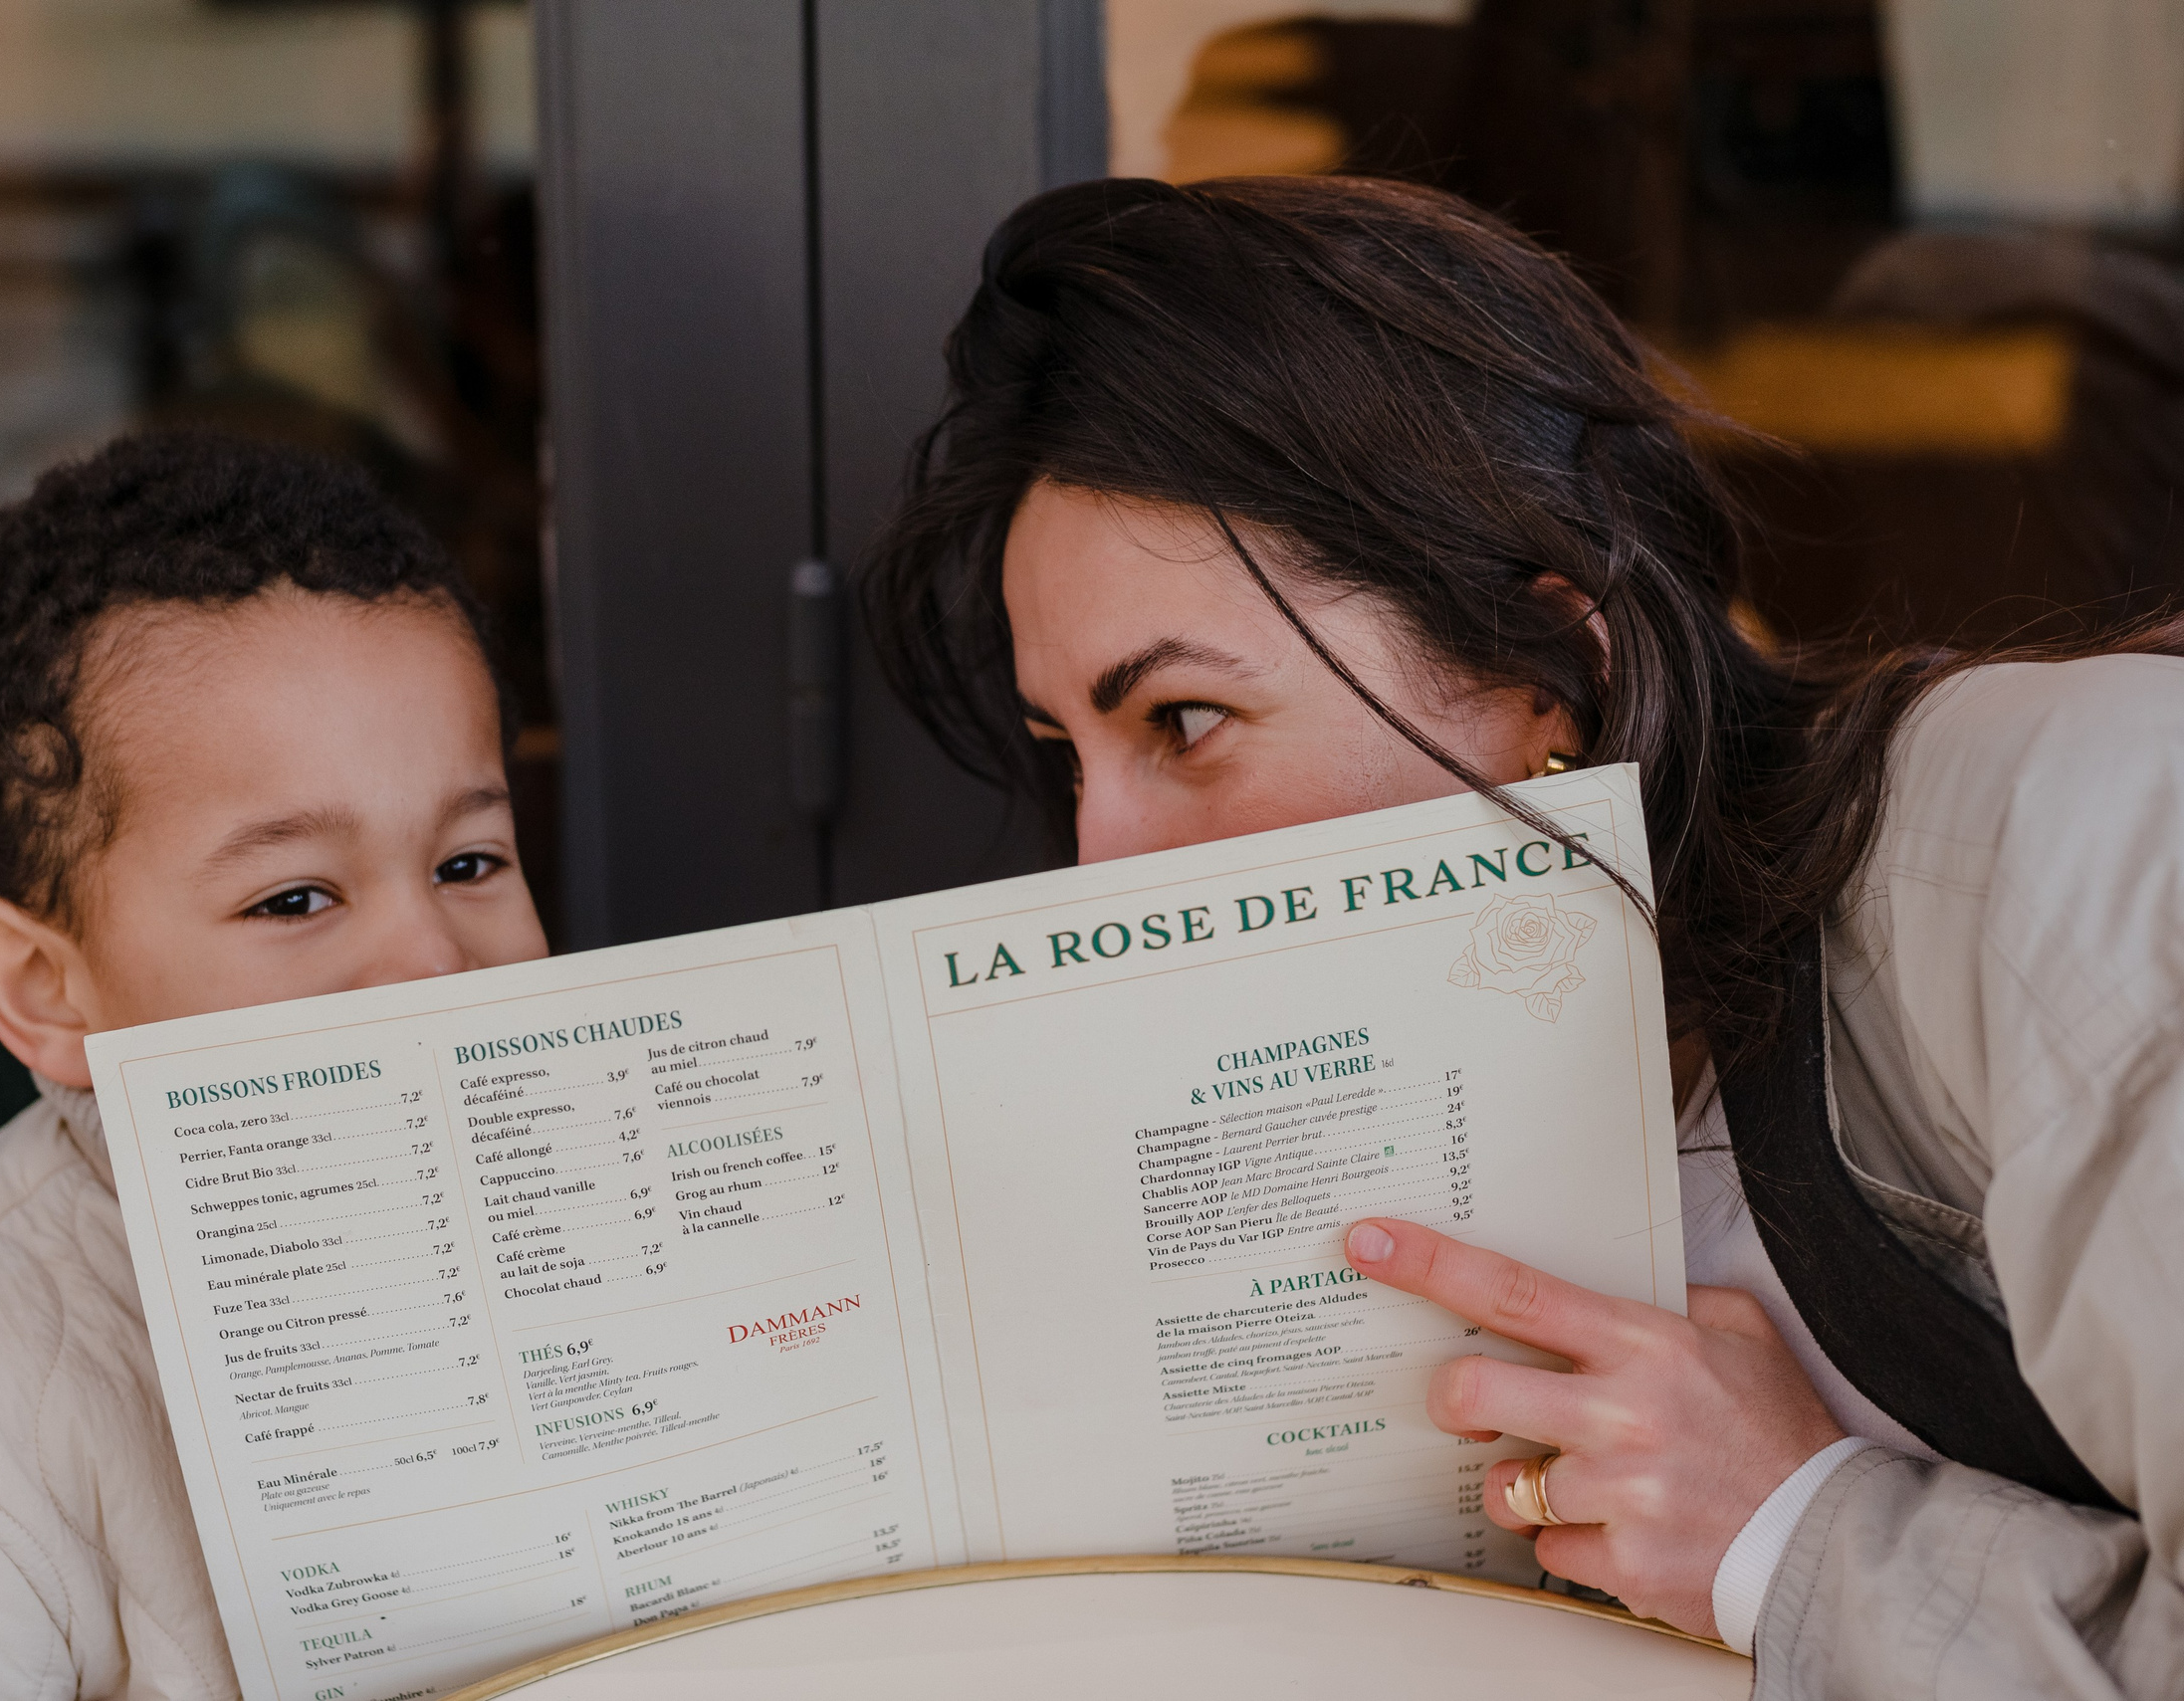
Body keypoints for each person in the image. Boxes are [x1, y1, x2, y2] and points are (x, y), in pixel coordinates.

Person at [861, 174, 2182, 1697]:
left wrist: (1792, 1534)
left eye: (1188, 719)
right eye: (1068, 757)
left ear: (1547, 673)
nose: (1105, 860)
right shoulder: (1436, 1129)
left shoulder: (2067, 832)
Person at [0, 431, 547, 1697]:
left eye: (468, 863)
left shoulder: (645, 1221)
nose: (432, 964)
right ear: (46, 988)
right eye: (295, 897)